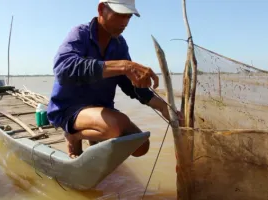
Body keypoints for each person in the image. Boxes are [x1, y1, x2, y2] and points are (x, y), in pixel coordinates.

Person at [47, 0, 179, 159]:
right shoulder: (80, 34)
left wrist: (163, 107)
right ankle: (73, 135)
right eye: (119, 15)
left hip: (101, 109)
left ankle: (91, 138)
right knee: (116, 125)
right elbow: (63, 69)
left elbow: (129, 84)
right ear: (101, 9)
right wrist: (124, 66)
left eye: (128, 16)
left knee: (140, 145)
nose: (125, 22)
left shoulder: (119, 45)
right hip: (69, 108)